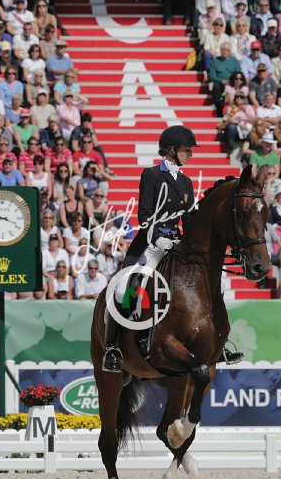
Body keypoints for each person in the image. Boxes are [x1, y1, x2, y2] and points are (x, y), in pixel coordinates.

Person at [102, 125, 242, 373]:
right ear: (171, 149)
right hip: (150, 242)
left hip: (176, 243)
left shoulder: (186, 182)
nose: (190, 154)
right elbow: (144, 215)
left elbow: (188, 221)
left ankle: (218, 344)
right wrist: (158, 238)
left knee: (209, 285)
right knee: (125, 287)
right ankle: (112, 348)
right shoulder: (152, 175)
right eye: (186, 150)